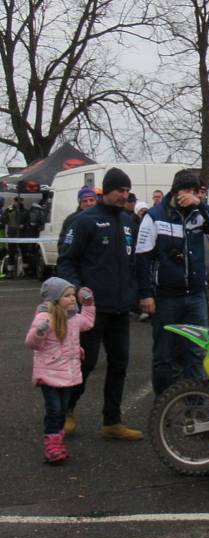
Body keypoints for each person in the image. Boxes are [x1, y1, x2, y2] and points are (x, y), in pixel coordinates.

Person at [57, 167, 142, 440]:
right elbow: (67, 260)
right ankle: (66, 411)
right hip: (92, 308)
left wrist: (138, 294)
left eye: (127, 191)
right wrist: (78, 291)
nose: (124, 195)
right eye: (120, 190)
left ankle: (112, 421)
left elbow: (133, 262)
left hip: (120, 307)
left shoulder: (128, 220)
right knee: (86, 363)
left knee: (119, 364)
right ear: (107, 190)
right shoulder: (85, 221)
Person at [136, 169, 209, 396]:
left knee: (196, 353)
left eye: (195, 191)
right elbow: (142, 257)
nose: (190, 195)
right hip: (166, 297)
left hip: (196, 296)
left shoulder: (198, 213)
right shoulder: (155, 216)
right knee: (165, 355)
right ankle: (164, 403)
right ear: (176, 191)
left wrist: (201, 205)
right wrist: (145, 294)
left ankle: (195, 406)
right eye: (187, 190)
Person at [25, 278, 95, 463]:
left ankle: (57, 440)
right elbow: (32, 343)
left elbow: (88, 323)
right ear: (55, 299)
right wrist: (39, 332)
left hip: (68, 371)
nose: (73, 299)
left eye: (73, 295)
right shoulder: (44, 317)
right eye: (67, 296)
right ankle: (51, 443)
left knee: (62, 409)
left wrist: (88, 303)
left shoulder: (73, 318)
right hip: (48, 371)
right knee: (54, 409)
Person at [57, 186, 97, 255]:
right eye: (85, 201)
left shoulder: (103, 218)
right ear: (79, 202)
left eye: (91, 200)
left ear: (96, 201)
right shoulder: (72, 219)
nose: (88, 203)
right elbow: (63, 245)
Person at [1, 195, 28, 276]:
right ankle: (10, 271)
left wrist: (24, 225)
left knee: (24, 253)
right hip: (12, 234)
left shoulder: (25, 211)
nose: (18, 202)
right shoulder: (9, 210)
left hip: (22, 234)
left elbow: (28, 221)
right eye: (16, 201)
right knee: (11, 253)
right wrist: (10, 208)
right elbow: (3, 219)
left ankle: (25, 271)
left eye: (19, 200)